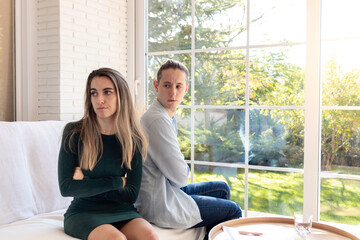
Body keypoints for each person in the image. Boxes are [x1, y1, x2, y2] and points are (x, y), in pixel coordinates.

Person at [135, 60, 242, 239]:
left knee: (222, 189)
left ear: (186, 89)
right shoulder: (157, 120)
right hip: (160, 201)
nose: (173, 92)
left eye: (178, 86)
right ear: (156, 86)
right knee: (233, 211)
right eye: (167, 85)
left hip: (169, 188)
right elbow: (181, 177)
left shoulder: (164, 115)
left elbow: (177, 178)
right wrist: (182, 167)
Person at [58, 68, 158, 240]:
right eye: (94, 93)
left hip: (122, 210)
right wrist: (117, 182)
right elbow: (66, 188)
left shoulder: (132, 139)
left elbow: (131, 194)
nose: (100, 100)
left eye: (107, 92)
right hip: (84, 211)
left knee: (151, 237)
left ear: (121, 96)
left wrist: (87, 182)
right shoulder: (74, 132)